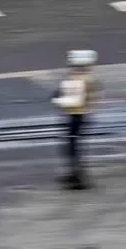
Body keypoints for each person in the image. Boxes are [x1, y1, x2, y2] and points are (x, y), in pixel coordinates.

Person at [52, 49, 99, 190]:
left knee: (73, 146)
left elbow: (69, 96)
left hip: (76, 115)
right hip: (79, 115)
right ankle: (74, 173)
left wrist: (59, 98)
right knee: (74, 145)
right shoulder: (87, 77)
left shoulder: (79, 78)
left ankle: (77, 176)